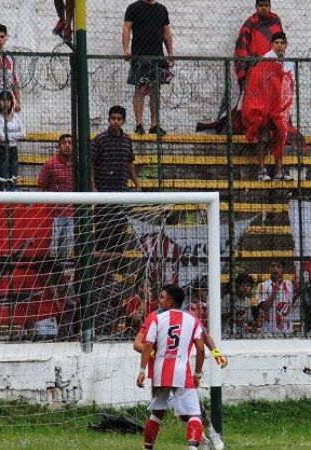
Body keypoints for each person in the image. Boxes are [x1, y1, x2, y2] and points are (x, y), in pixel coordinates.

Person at [133, 285, 227, 450]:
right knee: (185, 413)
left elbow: (205, 337)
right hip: (162, 371)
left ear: (170, 301)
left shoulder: (188, 317)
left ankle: (211, 433)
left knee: (191, 408)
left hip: (165, 372)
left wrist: (217, 355)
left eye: (162, 297)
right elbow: (138, 344)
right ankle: (202, 440)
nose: (158, 300)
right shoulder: (153, 317)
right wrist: (155, 354)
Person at [196, 0, 282, 134]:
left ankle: (267, 131)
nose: (264, 8)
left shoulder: (276, 21)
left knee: (271, 103)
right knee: (248, 105)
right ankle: (241, 128)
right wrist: (246, 69)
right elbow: (242, 48)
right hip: (254, 72)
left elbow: (280, 44)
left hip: (271, 72)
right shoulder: (250, 24)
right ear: (256, 7)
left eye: (266, 6)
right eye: (261, 6)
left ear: (270, 7)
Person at [243, 32, 295, 181]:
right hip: (266, 106)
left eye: (282, 43)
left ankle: (279, 171)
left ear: (285, 45)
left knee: (281, 138)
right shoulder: (266, 60)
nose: (279, 45)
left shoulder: (289, 62)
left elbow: (289, 84)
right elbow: (258, 83)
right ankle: (261, 170)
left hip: (281, 107)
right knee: (264, 137)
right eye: (277, 43)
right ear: (272, 44)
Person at [90, 105, 140, 257]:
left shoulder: (127, 140)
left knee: (118, 235)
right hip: (104, 194)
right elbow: (91, 164)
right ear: (108, 120)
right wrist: (93, 187)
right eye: (113, 118)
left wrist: (137, 184)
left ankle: (113, 272)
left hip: (122, 194)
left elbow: (130, 163)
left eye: (119, 119)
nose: (116, 121)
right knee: (103, 234)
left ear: (123, 121)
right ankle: (101, 274)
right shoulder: (99, 139)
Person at [122, 0, 174, 136]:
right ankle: (139, 124)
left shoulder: (162, 9)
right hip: (140, 55)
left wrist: (171, 54)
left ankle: (154, 125)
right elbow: (126, 28)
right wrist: (126, 49)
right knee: (140, 89)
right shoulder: (133, 7)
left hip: (158, 57)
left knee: (155, 91)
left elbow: (167, 33)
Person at [38, 134, 74, 259]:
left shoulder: (77, 165)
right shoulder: (50, 164)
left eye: (70, 143)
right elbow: (41, 185)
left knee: (66, 250)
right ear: (59, 146)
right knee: (52, 250)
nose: (67, 146)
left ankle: (63, 276)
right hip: (54, 214)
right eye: (64, 143)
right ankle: (51, 276)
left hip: (71, 214)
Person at [0, 90, 24, 191]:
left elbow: (23, 134)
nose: (6, 103)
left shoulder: (16, 116)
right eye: (3, 100)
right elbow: (1, 137)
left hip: (13, 150)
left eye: (9, 100)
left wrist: (8, 135)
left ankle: (12, 202)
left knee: (13, 177)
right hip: (1, 150)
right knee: (2, 176)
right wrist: (15, 135)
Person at [256, 261, 295, 333]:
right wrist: (274, 293)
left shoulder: (290, 285)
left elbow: (291, 304)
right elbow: (264, 308)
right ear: (269, 269)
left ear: (283, 269)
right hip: (269, 331)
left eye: (278, 266)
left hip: (287, 331)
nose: (275, 269)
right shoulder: (262, 286)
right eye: (272, 266)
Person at [222, 272, 255, 336]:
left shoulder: (247, 301)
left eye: (248, 286)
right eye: (243, 285)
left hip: (240, 335)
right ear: (237, 285)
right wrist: (234, 313)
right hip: (226, 334)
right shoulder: (228, 298)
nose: (245, 288)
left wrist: (254, 323)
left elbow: (248, 320)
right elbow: (221, 316)